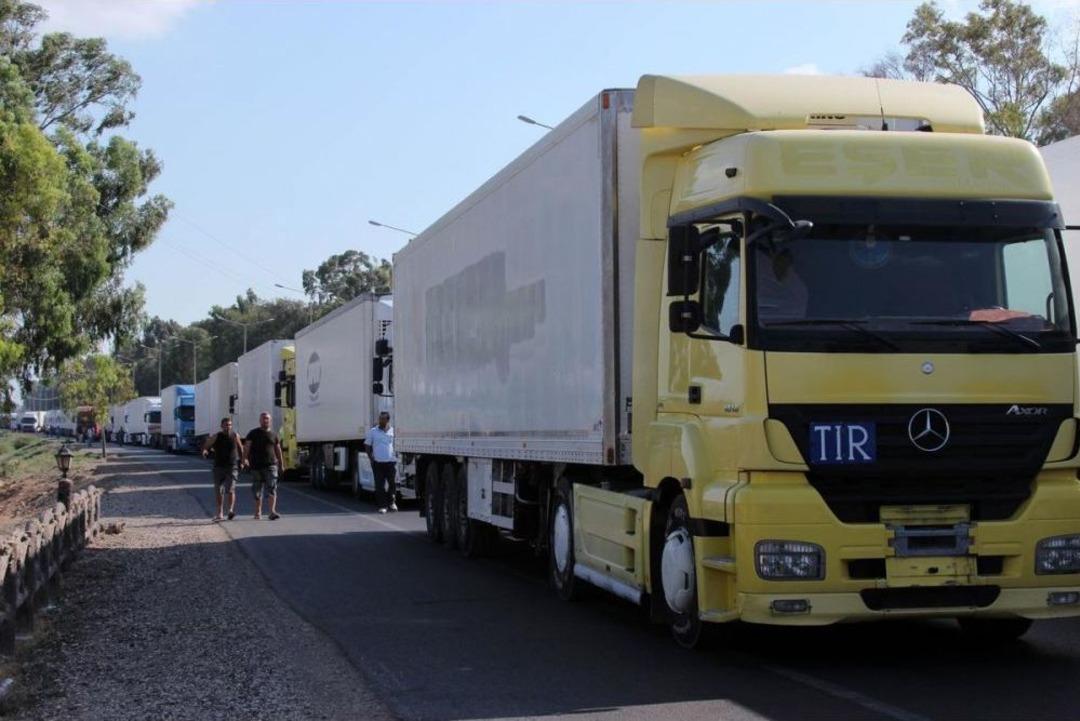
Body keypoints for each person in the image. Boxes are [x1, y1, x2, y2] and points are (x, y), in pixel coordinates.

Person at [202, 417, 243, 522]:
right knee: (219, 490)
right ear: (222, 426)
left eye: (229, 425)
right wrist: (205, 451)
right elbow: (206, 445)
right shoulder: (216, 436)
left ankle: (230, 510)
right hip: (219, 466)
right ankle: (220, 513)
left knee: (231, 489)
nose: (228, 427)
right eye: (226, 425)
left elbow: (241, 448)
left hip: (232, 466)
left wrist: (243, 460)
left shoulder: (235, 435)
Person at [244, 411, 283, 521]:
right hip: (256, 466)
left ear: (270, 421)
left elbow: (278, 449)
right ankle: (258, 512)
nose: (265, 420)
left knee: (272, 488)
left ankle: (272, 512)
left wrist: (281, 464)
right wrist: (244, 459)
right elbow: (246, 447)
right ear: (260, 420)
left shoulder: (274, 434)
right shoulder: (253, 433)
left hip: (271, 465)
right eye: (263, 418)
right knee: (257, 490)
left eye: (267, 418)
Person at [365, 411, 397, 514]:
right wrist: (371, 458)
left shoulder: (393, 431)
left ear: (388, 420)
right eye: (380, 418)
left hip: (391, 462)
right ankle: (382, 506)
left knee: (392, 483)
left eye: (383, 419)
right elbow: (368, 445)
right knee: (380, 485)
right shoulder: (373, 431)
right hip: (378, 463)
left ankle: (392, 503)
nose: (381, 420)